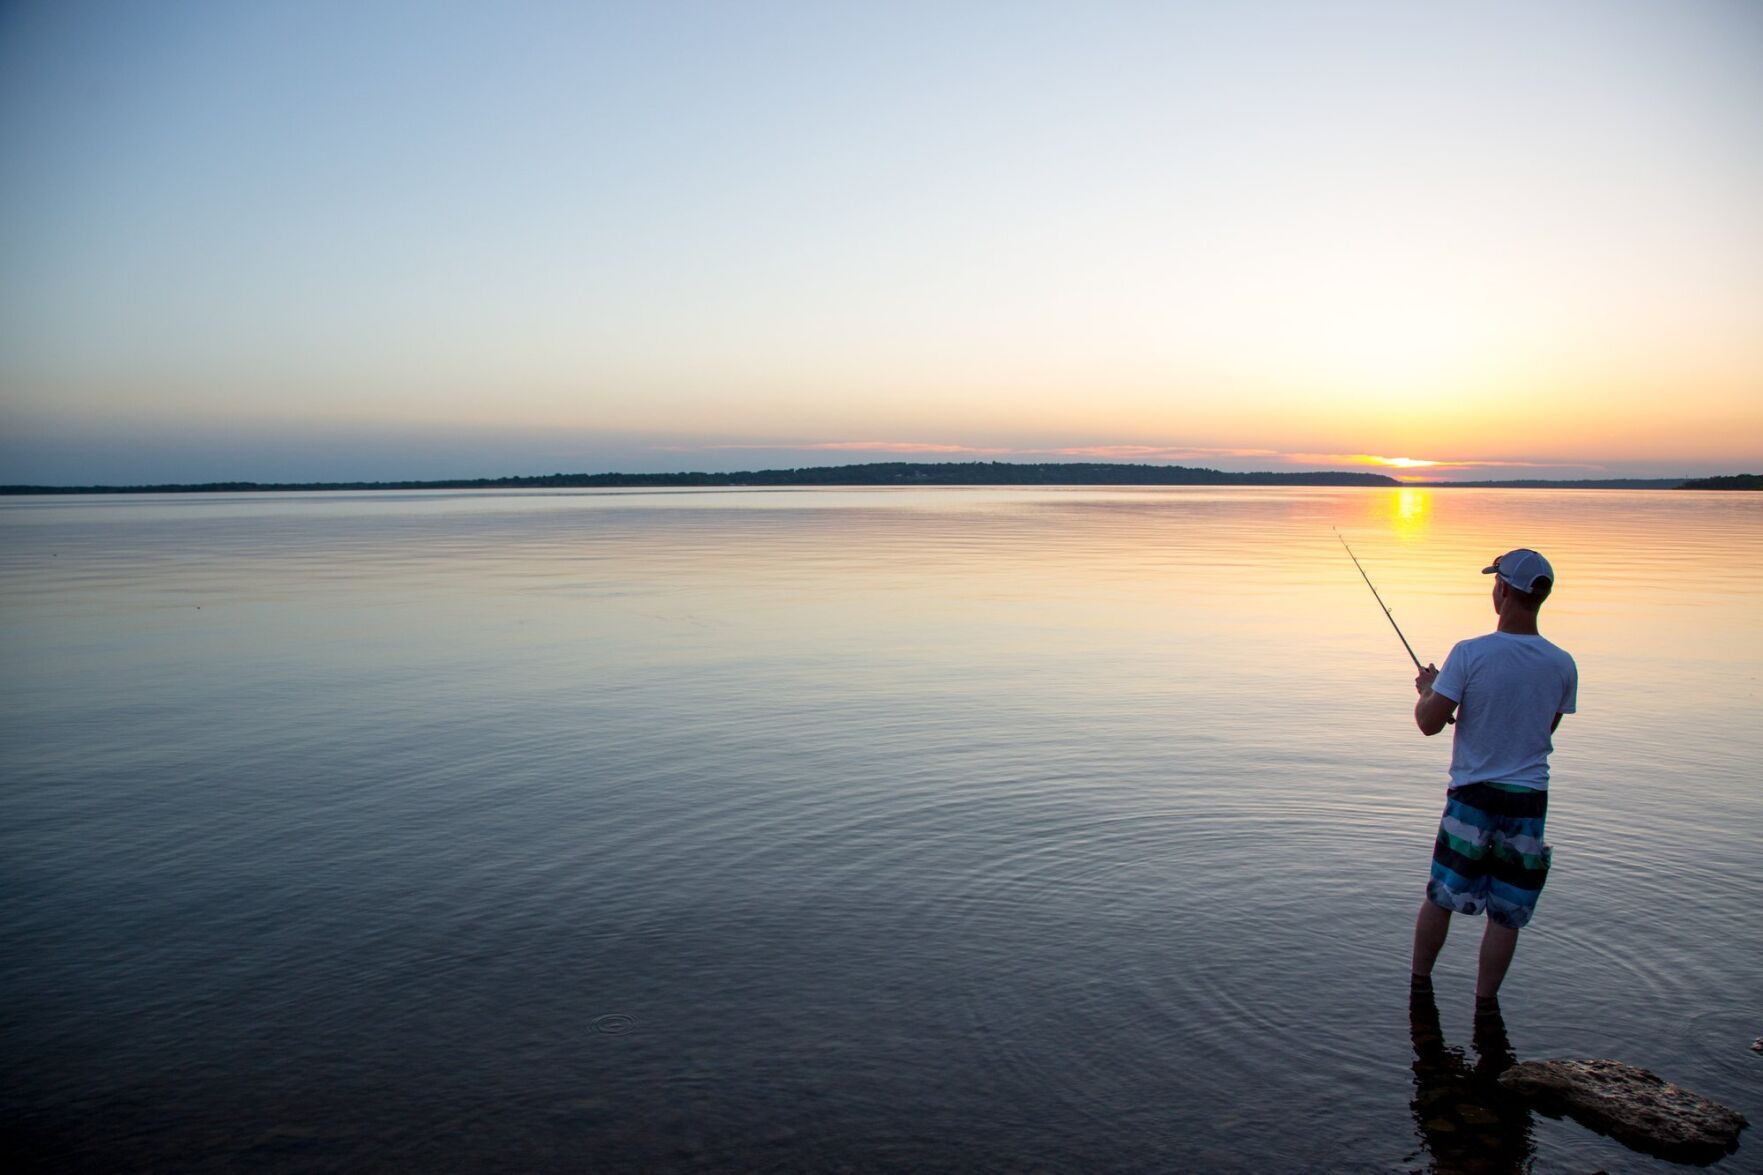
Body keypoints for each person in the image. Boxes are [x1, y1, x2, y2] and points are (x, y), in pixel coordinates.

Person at [1409, 548, 1578, 1001]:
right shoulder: (1563, 664)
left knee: (1441, 896)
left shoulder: (1469, 654)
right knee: (1506, 913)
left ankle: (1419, 989)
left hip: (1472, 797)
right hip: (1527, 802)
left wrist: (1430, 690)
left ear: (1502, 589)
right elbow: (1542, 729)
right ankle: (1486, 1007)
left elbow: (1428, 722)